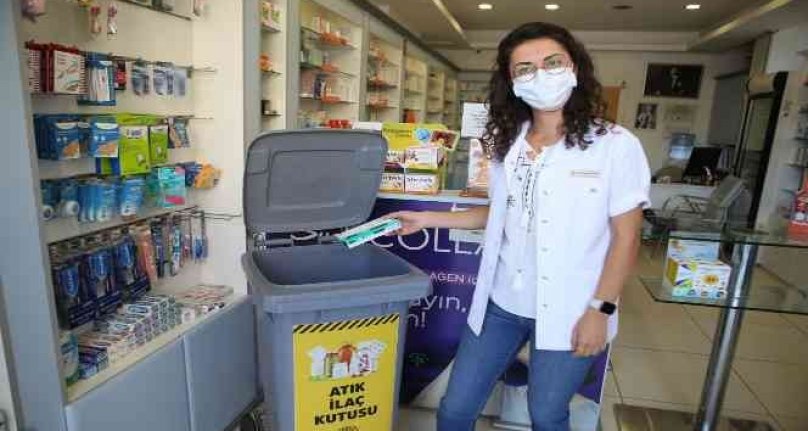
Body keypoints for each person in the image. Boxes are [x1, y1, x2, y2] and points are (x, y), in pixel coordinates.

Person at [388, 22, 650, 430]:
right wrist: (426, 218)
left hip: (573, 307)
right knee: (455, 409)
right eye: (524, 68)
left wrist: (601, 310)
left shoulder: (615, 145)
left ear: (575, 68)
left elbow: (627, 237)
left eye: (552, 62)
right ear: (511, 82)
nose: (539, 75)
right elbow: (502, 213)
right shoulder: (507, 142)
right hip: (501, 303)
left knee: (546, 415)